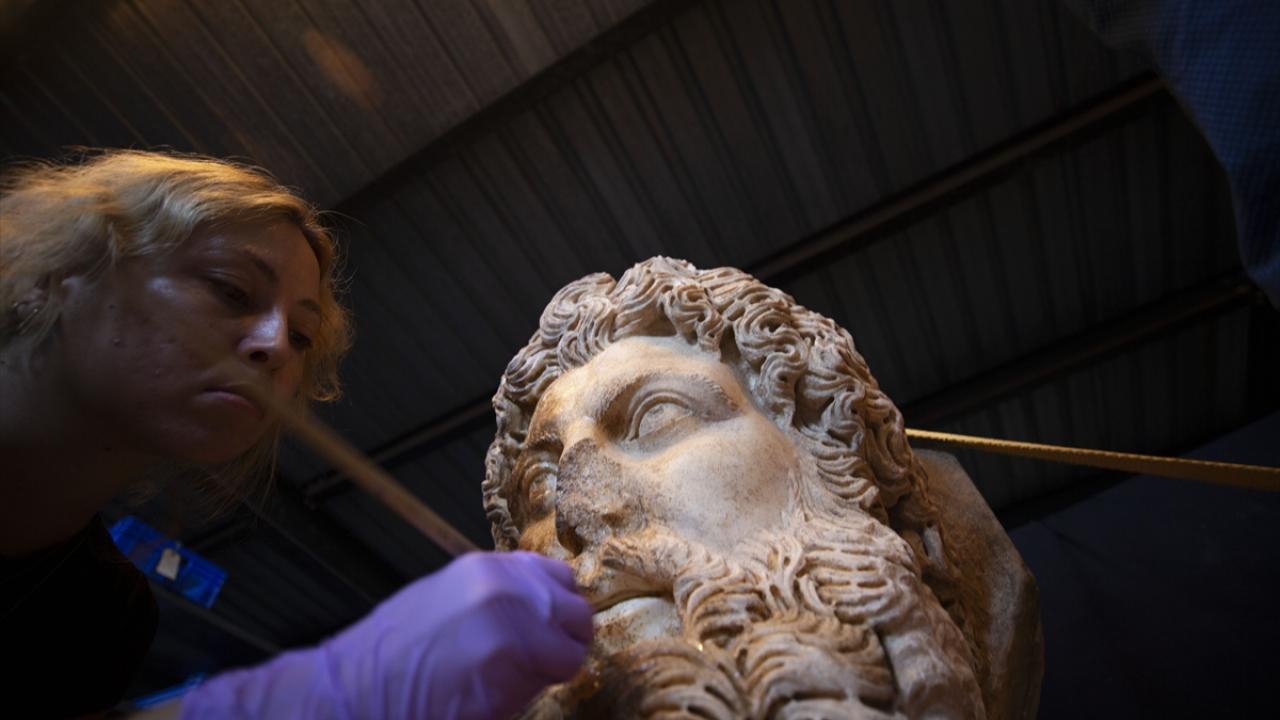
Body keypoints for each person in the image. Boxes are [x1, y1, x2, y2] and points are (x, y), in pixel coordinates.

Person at [0, 149, 593, 719]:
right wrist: (333, 690)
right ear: (66, 272)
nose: (278, 345)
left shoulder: (101, 616)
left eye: (302, 335)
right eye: (230, 289)